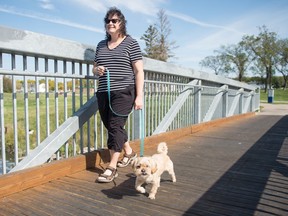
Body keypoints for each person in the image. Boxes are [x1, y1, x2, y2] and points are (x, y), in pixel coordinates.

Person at [93, 7, 144, 183]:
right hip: (104, 92)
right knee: (111, 125)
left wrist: (139, 96)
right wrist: (96, 70)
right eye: (107, 21)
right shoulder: (101, 45)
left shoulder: (131, 43)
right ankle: (129, 153)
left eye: (114, 20)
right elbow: (95, 66)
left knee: (115, 126)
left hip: (123, 92)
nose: (110, 23)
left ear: (121, 23)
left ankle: (111, 167)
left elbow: (139, 71)